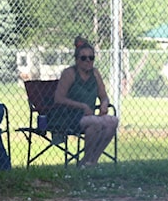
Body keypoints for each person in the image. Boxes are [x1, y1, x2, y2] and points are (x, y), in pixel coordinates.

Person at [48, 37, 119, 167]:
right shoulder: (69, 73)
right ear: (77, 60)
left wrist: (104, 104)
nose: (88, 61)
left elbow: (104, 96)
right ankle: (86, 161)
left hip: (89, 116)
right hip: (68, 116)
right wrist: (82, 106)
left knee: (112, 121)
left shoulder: (95, 73)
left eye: (91, 58)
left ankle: (92, 160)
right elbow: (58, 98)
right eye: (83, 58)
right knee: (95, 123)